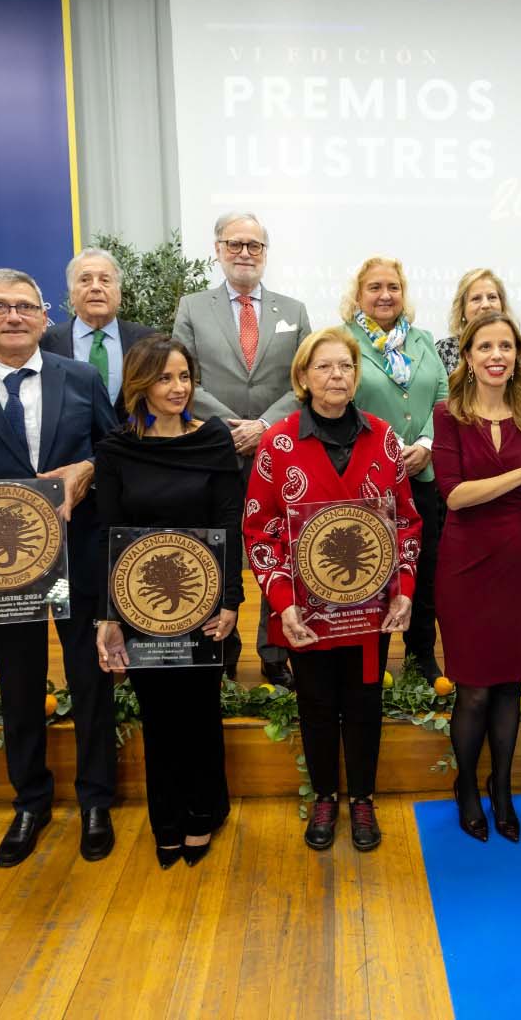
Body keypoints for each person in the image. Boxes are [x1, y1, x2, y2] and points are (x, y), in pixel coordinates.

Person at [0, 268, 119, 868]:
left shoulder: (81, 377)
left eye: (26, 307)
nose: (14, 316)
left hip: (79, 554)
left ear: (43, 317)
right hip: (2, 562)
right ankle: (30, 799)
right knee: (20, 682)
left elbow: (113, 452)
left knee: (91, 681)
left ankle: (95, 800)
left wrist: (88, 467)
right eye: (0, 306)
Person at [242, 328, 421, 853]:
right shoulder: (279, 443)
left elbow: (407, 521)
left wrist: (404, 589)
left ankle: (362, 797)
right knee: (317, 704)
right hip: (303, 613)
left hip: (371, 613)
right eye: (323, 367)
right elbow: (259, 528)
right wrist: (282, 603)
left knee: (364, 702)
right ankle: (325, 795)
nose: (336, 375)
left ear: (356, 375)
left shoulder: (384, 438)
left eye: (344, 366)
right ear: (303, 377)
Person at [93, 336, 243, 871]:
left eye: (184, 377)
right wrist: (108, 617)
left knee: (201, 711)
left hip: (204, 605)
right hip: (140, 606)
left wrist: (230, 600)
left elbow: (230, 521)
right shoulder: (116, 449)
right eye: (164, 379)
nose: (177, 388)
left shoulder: (214, 439)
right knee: (159, 717)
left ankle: (204, 812)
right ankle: (167, 820)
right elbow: (107, 531)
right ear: (140, 384)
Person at [433, 312, 521, 843]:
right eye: (486, 346)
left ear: (518, 356)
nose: (497, 355)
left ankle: (503, 787)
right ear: (467, 356)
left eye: (507, 347)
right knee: (471, 689)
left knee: (510, 685)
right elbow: (455, 495)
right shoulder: (448, 415)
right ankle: (466, 785)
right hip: (466, 561)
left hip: (518, 560)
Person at [173, 211, 311, 688]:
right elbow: (182, 377)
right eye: (235, 244)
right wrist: (234, 426)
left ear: (266, 253)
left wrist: (264, 426)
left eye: (254, 245)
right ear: (217, 249)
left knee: (279, 550)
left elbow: (304, 379)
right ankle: (222, 649)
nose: (245, 253)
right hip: (215, 447)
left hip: (277, 450)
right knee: (219, 548)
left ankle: (274, 654)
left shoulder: (293, 311)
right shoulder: (192, 307)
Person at [342, 257, 447, 680]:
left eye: (393, 287)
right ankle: (373, 662)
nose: (385, 295)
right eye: (374, 287)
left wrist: (425, 442)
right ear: (358, 294)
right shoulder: (341, 340)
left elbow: (443, 394)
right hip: (367, 478)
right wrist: (389, 446)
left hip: (422, 474)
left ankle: (421, 654)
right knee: (372, 570)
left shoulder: (422, 340)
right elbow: (336, 398)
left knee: (424, 568)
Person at [39, 246, 156, 410]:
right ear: (72, 295)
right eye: (85, 280)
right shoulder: (45, 342)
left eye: (105, 280)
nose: (95, 287)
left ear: (119, 294)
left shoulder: (149, 340)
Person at [433, 267, 521, 411]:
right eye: (476, 299)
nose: (486, 305)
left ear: (502, 305)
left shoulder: (518, 350)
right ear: (462, 309)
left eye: (492, 297)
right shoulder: (443, 350)